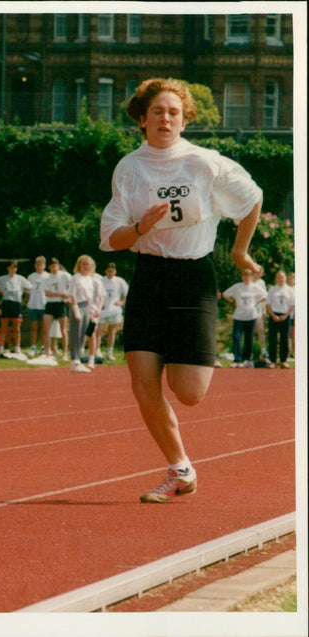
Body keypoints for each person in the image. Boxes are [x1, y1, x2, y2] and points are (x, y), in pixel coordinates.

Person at [99, 78, 263, 503]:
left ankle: (183, 358)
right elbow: (112, 238)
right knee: (142, 384)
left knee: (188, 393)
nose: (165, 119)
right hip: (150, 276)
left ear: (185, 118)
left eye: (173, 112)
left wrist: (240, 252)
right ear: (142, 118)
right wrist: (140, 228)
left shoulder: (205, 162)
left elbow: (252, 199)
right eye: (157, 112)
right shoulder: (130, 168)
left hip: (193, 280)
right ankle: (180, 468)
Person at [222, 269, 267, 367]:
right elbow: (225, 294)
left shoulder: (255, 287)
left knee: (249, 338)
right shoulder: (237, 287)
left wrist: (256, 302)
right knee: (236, 337)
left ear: (251, 277)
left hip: (251, 316)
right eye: (244, 275)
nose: (246, 277)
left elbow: (265, 296)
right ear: (242, 277)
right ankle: (237, 359)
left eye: (248, 276)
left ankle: (246, 359)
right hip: (238, 316)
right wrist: (233, 302)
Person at [67, 255, 102, 373]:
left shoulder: (90, 280)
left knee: (83, 334)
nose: (85, 267)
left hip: (87, 306)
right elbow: (71, 295)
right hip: (77, 305)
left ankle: (78, 360)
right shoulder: (75, 278)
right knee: (75, 333)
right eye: (83, 264)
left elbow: (90, 298)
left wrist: (91, 312)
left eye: (88, 264)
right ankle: (74, 360)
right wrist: (76, 311)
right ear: (79, 265)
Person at [0, 259, 32, 357]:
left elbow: (30, 287)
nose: (12, 270)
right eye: (11, 267)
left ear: (16, 269)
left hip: (16, 304)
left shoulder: (20, 279)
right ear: (8, 268)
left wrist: (22, 292)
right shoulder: (3, 278)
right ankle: (0, 348)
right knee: (4, 327)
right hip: (6, 303)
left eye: (14, 268)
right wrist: (1, 291)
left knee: (17, 328)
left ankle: (17, 348)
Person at [97, 262, 128, 361]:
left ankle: (109, 352)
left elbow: (127, 293)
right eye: (109, 271)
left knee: (112, 331)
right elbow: (95, 294)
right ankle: (97, 351)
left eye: (113, 271)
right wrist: (99, 305)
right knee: (99, 331)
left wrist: (122, 302)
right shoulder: (100, 281)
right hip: (102, 310)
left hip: (114, 310)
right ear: (105, 271)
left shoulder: (120, 281)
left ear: (115, 271)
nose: (111, 273)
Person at [41, 258, 71, 360]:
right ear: (49, 267)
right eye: (52, 266)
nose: (54, 268)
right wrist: (60, 294)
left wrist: (67, 296)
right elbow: (47, 294)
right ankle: (47, 352)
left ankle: (65, 354)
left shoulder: (64, 275)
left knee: (64, 330)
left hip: (61, 304)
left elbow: (73, 285)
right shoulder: (46, 278)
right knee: (46, 330)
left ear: (58, 266)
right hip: (50, 304)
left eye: (56, 266)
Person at [265, 270, 295, 369]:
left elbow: (292, 305)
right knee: (273, 339)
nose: (280, 279)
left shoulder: (290, 290)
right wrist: (273, 315)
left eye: (282, 277)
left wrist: (285, 315)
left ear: (285, 278)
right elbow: (268, 304)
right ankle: (273, 361)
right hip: (274, 315)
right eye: (278, 277)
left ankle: (283, 360)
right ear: (276, 278)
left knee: (284, 339)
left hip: (285, 316)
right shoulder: (272, 289)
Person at [26, 256, 49, 358]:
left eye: (41, 265)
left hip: (44, 306)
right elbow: (27, 292)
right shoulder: (31, 276)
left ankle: (43, 347)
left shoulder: (48, 276)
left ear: (44, 266)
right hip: (33, 305)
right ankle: (33, 347)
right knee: (34, 328)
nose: (39, 267)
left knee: (44, 329)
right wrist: (29, 302)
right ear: (35, 266)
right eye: (38, 265)